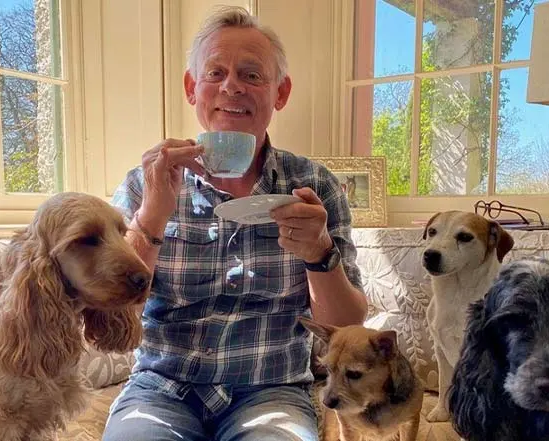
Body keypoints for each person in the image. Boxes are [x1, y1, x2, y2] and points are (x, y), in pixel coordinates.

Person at [102, 6, 367, 441]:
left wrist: (319, 254)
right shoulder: (145, 183)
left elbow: (347, 324)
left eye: (252, 75)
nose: (231, 87)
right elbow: (112, 311)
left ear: (280, 93)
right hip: (160, 390)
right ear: (193, 88)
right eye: (215, 73)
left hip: (272, 390)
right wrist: (152, 215)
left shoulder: (314, 185)